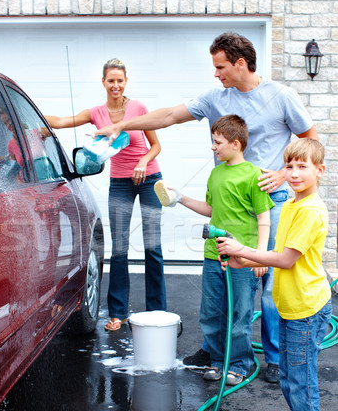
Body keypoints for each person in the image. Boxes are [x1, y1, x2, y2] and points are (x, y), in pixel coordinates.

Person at [93, 32, 318, 383]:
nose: (216, 74)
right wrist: (123, 124)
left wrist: (281, 173)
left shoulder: (281, 96)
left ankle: (273, 357)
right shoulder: (216, 97)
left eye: (221, 67)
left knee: (267, 282)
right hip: (226, 200)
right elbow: (168, 116)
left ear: (240, 63)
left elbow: (312, 141)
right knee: (219, 278)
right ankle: (215, 350)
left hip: (266, 199)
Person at [216, 138, 331, 411]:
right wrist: (241, 260)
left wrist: (242, 249)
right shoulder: (295, 204)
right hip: (291, 305)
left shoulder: (309, 210)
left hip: (305, 309)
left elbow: (285, 259)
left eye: (302, 167)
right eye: (290, 166)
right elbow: (279, 253)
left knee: (301, 378)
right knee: (290, 377)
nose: (294, 173)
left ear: (319, 171)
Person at [46, 58, 166, 331]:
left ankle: (157, 313)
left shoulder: (138, 109)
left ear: (126, 83)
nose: (116, 85)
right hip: (120, 183)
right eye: (111, 80)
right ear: (103, 82)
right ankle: (118, 313)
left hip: (149, 179)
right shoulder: (97, 112)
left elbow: (156, 146)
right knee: (119, 249)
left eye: (120, 81)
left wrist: (143, 162)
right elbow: (63, 121)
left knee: (152, 247)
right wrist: (36, 122)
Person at [156, 114, 274, 385]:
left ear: (236, 144)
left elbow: (263, 218)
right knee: (211, 312)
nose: (213, 147)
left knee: (240, 313)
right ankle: (219, 361)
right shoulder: (215, 173)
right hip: (214, 256)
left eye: (217, 142)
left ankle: (239, 363)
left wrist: (259, 256)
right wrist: (181, 198)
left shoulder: (254, 176)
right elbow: (211, 210)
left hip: (242, 259)